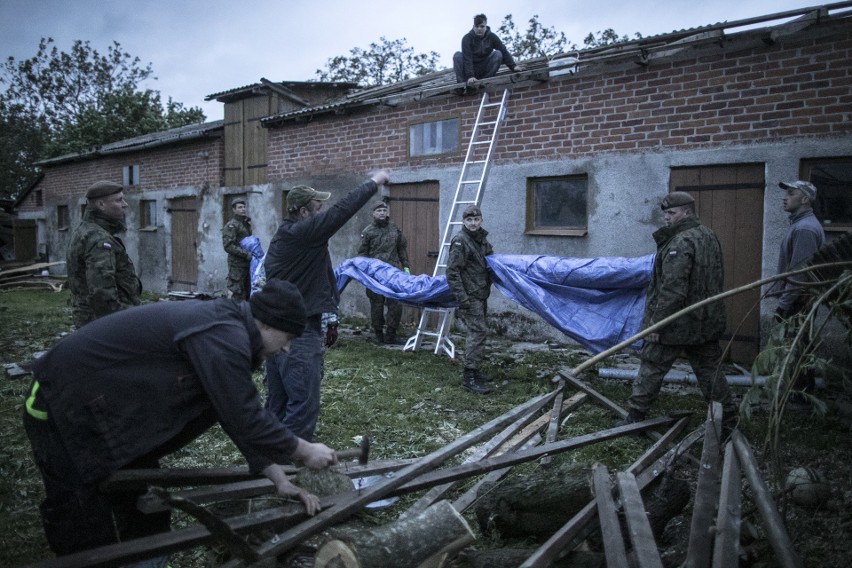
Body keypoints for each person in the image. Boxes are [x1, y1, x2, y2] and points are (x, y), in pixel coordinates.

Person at [22, 280, 338, 557]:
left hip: (108, 412)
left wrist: (278, 478)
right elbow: (246, 415)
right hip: (62, 406)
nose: (287, 349)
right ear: (268, 324)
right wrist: (303, 450)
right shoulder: (223, 335)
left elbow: (228, 410)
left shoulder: (228, 331)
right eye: (288, 337)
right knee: (83, 520)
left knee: (143, 508)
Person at [264, 171, 391, 441]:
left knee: (277, 402)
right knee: (302, 402)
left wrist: (330, 317)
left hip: (278, 332)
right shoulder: (302, 233)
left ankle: (268, 460)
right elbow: (342, 211)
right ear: (303, 212)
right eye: (317, 209)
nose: (322, 214)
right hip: (297, 333)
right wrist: (373, 182)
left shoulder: (289, 235)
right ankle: (293, 466)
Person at [618, 192, 736, 427]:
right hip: (706, 321)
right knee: (709, 370)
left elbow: (673, 289)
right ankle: (730, 418)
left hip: (677, 323)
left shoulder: (680, 242)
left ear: (687, 212)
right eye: (665, 213)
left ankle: (635, 417)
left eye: (671, 213)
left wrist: (657, 324)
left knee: (652, 365)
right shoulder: (708, 236)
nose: (667, 218)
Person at [773, 180, 826, 400]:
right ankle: (800, 391)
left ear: (805, 199)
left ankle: (801, 395)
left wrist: (783, 305)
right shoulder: (798, 224)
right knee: (798, 345)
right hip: (798, 297)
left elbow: (799, 273)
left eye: (791, 193)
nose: (785, 197)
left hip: (800, 299)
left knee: (798, 346)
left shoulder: (804, 228)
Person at [66, 180, 142, 328]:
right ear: (101, 205)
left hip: (92, 320)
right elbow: (103, 295)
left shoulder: (86, 230)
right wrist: (130, 320)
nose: (125, 204)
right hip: (105, 324)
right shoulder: (99, 239)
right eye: (119, 200)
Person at [446, 205, 494, 395]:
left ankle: (476, 370)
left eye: (476, 220)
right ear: (463, 222)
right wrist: (462, 298)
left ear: (481, 220)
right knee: (477, 332)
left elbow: (491, 260)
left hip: (481, 293)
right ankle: (469, 377)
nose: (473, 223)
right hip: (470, 295)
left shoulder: (481, 239)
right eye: (469, 220)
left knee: (480, 332)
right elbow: (452, 272)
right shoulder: (460, 241)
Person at [358, 201, 411, 345]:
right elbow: (362, 254)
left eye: (384, 210)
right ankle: (378, 334)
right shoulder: (368, 231)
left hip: (393, 273)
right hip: (375, 274)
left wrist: (406, 267)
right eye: (378, 211)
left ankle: (391, 334)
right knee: (377, 303)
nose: (382, 213)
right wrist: (366, 272)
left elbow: (402, 248)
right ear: (373, 214)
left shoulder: (394, 229)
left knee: (395, 303)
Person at [453, 13, 525, 94]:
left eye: (482, 26)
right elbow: (467, 58)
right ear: (473, 27)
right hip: (469, 69)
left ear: (486, 26)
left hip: (484, 68)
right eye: (477, 26)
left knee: (498, 54)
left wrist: (513, 66)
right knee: (457, 55)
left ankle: (485, 83)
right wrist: (470, 76)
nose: (479, 29)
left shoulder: (492, 37)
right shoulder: (467, 38)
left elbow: (503, 51)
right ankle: (461, 87)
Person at [222, 198, 254, 301]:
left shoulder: (245, 223)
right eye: (240, 207)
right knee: (237, 294)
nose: (243, 209)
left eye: (244, 207)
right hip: (237, 265)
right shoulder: (231, 225)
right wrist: (245, 254)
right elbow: (228, 246)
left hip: (247, 264)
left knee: (248, 292)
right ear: (234, 210)